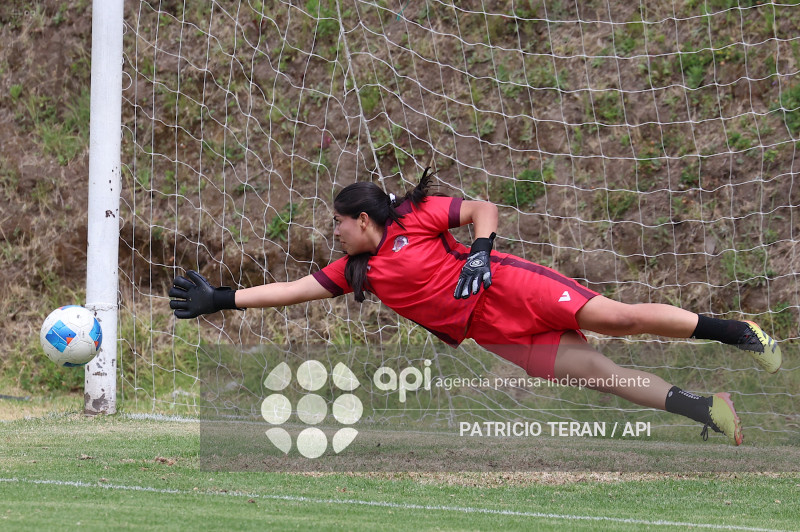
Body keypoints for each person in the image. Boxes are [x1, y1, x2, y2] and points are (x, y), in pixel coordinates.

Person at [169, 169, 782, 445]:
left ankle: (736, 332)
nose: (332, 232)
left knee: (615, 318)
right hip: (495, 333)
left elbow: (482, 208)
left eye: (337, 223)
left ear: (363, 219)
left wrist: (483, 251)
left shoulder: (416, 218)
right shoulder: (357, 271)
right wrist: (218, 300)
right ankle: (707, 408)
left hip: (511, 287)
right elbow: (289, 290)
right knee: (605, 379)